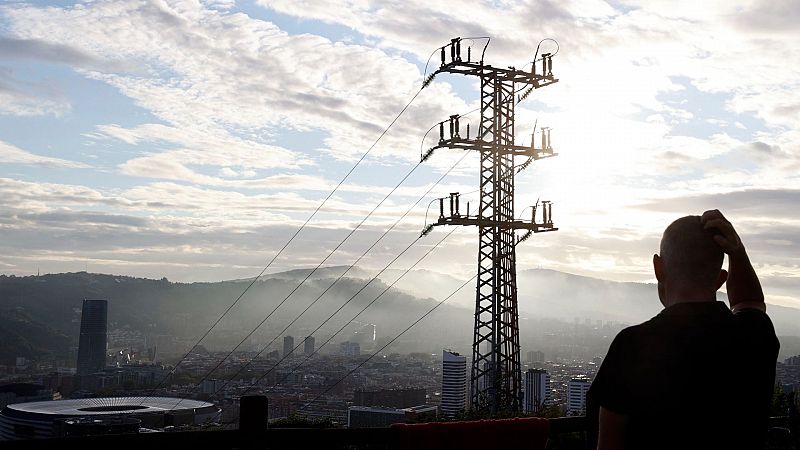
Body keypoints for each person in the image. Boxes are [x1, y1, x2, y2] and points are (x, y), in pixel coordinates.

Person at [588, 210, 779, 450]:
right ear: (721, 279)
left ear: (658, 268)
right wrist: (737, 252)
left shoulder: (632, 346)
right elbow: (750, 302)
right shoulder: (755, 335)